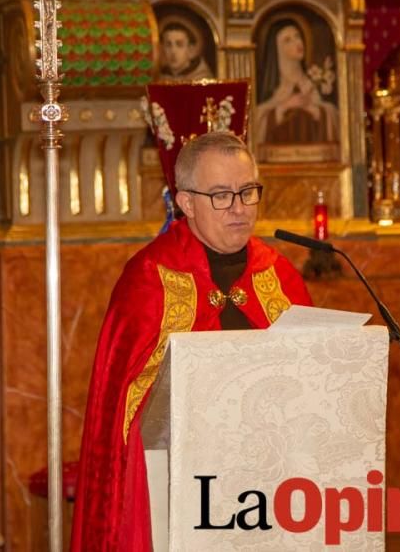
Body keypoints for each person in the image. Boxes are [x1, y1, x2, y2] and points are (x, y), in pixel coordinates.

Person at [70, 132, 313, 551]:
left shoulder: (278, 274)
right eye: (221, 195)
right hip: (181, 488)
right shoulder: (150, 278)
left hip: (275, 483)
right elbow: (125, 404)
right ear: (186, 203)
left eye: (248, 192)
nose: (239, 208)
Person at [254, 17, 338, 146]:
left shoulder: (311, 82)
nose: (297, 42)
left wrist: (316, 111)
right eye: (288, 40)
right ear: (278, 49)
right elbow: (255, 123)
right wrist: (284, 107)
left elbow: (335, 116)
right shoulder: (274, 87)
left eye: (297, 36)